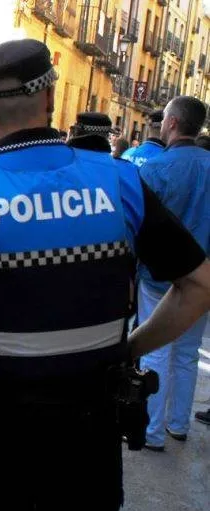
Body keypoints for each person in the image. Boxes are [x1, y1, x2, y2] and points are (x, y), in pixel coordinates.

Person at [0, 39, 210, 511]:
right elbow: (198, 285)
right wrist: (128, 349)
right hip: (90, 429)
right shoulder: (120, 182)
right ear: (51, 97)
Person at [134, 96, 210, 451]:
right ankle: (178, 424)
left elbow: (139, 226)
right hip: (204, 276)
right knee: (188, 352)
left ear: (174, 123)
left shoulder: (155, 169)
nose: (161, 125)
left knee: (156, 349)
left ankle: (151, 430)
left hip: (160, 277)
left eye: (164, 119)